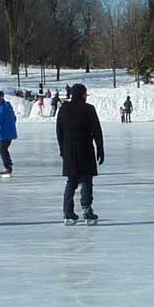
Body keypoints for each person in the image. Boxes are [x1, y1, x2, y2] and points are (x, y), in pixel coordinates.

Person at [55, 83, 104, 224]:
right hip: (85, 150)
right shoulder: (88, 109)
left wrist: (62, 149)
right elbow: (97, 131)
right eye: (85, 93)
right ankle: (87, 210)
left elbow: (59, 131)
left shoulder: (63, 109)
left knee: (71, 181)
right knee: (86, 180)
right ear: (81, 94)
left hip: (69, 151)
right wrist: (100, 148)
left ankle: (68, 212)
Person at [0, 90, 18, 177]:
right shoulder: (8, 107)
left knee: (2, 150)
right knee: (4, 150)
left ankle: (8, 168)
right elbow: (14, 118)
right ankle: (8, 166)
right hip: (9, 133)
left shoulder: (0, 109)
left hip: (3, 134)